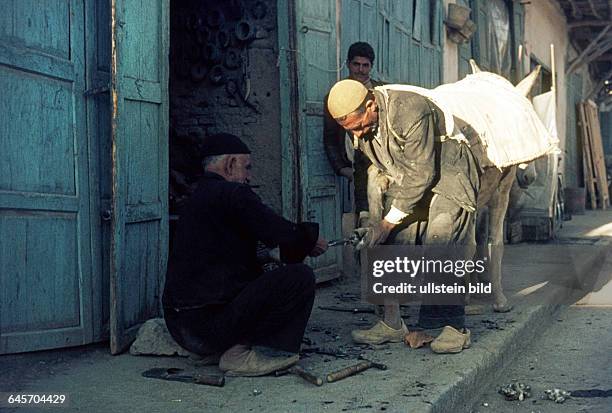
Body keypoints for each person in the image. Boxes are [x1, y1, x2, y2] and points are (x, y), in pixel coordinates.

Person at [327, 80, 481, 354]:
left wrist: (385, 224)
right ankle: (392, 323)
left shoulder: (409, 109)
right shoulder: (358, 128)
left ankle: (452, 327)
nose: (359, 134)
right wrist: (367, 218)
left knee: (441, 238)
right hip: (410, 175)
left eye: (360, 126)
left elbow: (423, 173)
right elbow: (362, 170)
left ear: (371, 105)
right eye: (351, 130)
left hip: (449, 172)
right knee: (390, 242)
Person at [162, 133, 328, 376]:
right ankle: (241, 354)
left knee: (267, 275)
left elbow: (225, 255)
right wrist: (310, 240)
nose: (249, 176)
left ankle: (219, 350)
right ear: (230, 165)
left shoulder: (196, 197)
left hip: (183, 330)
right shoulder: (232, 193)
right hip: (209, 329)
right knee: (299, 277)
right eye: (247, 167)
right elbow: (280, 231)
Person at [323, 42, 385, 213]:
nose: (360, 70)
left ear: (371, 67)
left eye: (365, 65)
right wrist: (342, 169)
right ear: (348, 64)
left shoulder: (382, 92)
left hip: (380, 165)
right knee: (359, 216)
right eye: (356, 64)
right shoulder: (336, 96)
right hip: (353, 165)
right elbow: (329, 137)